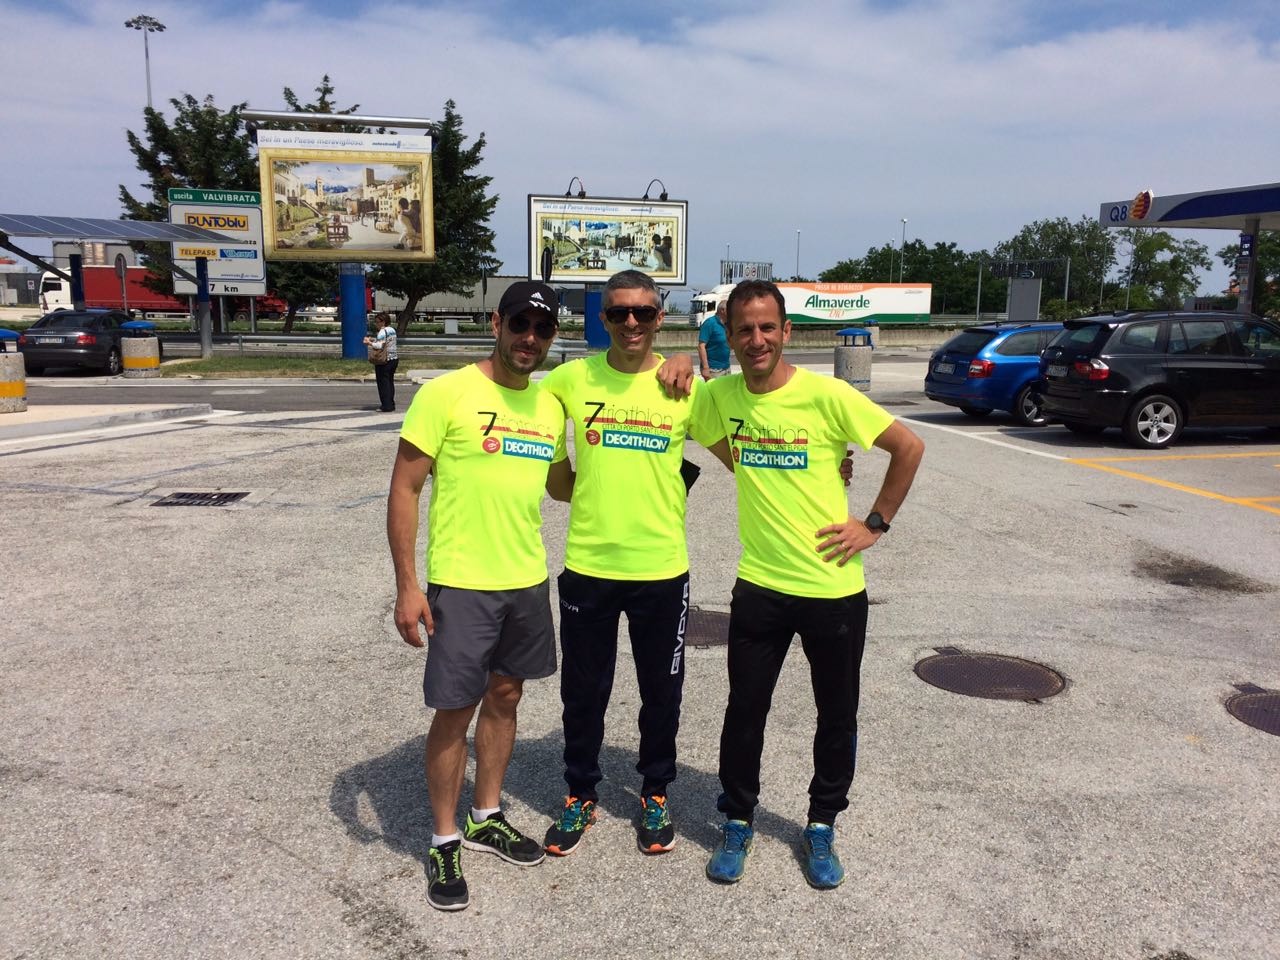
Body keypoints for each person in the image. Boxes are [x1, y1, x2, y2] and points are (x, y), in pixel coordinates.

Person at [691, 279, 924, 890]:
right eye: (745, 329)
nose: (757, 339)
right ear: (729, 336)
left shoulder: (828, 395)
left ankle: (821, 824)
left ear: (786, 331)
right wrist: (676, 365)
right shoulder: (721, 396)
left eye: (767, 327)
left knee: (836, 714)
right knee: (745, 711)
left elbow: (908, 446)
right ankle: (737, 818)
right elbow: (712, 437)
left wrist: (873, 524)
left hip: (833, 589)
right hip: (760, 586)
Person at [386, 280, 574, 912]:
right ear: (496, 323)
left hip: (526, 579)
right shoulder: (446, 394)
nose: (529, 338)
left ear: (552, 338)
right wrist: (407, 584)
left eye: (542, 329)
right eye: (520, 324)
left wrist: (644, 464)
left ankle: (484, 816)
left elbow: (562, 486)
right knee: (455, 709)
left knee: (506, 695)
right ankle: (444, 839)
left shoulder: (548, 408)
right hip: (462, 583)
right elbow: (405, 488)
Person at [538, 269, 724, 858]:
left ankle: (655, 792)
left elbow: (743, 453)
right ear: (603, 319)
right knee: (583, 692)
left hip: (661, 570)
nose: (632, 322)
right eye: (619, 313)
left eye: (643, 312)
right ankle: (580, 793)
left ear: (660, 316)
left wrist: (828, 468)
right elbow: (538, 451)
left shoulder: (683, 388)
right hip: (589, 565)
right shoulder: (570, 380)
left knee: (661, 692)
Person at [363, 312, 398, 412]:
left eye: (377, 322)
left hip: (384, 361)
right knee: (389, 382)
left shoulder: (382, 332)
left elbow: (380, 345)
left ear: (383, 322)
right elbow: (385, 342)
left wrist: (369, 343)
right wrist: (374, 340)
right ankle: (391, 404)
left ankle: (386, 406)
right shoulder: (392, 330)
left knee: (383, 384)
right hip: (394, 359)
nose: (376, 324)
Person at [697, 300, 731, 380]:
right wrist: (705, 368)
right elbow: (701, 346)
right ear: (722, 310)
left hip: (726, 367)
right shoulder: (710, 323)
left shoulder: (727, 325)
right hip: (713, 369)